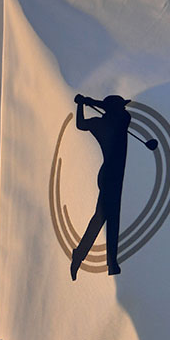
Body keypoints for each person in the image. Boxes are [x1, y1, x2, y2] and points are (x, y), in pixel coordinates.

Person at [70, 94, 132, 279]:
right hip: (110, 176)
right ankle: (105, 261)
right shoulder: (109, 123)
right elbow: (80, 125)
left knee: (105, 217)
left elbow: (83, 123)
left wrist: (85, 102)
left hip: (114, 176)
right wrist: (84, 104)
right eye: (120, 107)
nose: (123, 109)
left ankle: (88, 256)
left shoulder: (120, 120)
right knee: (106, 218)